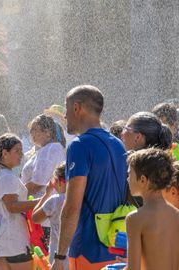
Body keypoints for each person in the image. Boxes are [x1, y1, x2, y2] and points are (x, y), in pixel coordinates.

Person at [52, 85, 128, 270]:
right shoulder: (118, 144)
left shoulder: (79, 145)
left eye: (66, 108)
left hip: (88, 249)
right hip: (117, 246)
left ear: (77, 108)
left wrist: (60, 256)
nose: (65, 115)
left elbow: (72, 207)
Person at [0, 134, 38, 269]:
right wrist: (42, 201)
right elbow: (12, 207)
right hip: (12, 237)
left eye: (21, 150)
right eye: (17, 151)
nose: (21, 154)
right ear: (5, 153)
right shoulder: (6, 176)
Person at [125, 148, 179, 270]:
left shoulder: (135, 219)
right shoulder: (176, 215)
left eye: (129, 174)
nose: (127, 179)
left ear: (143, 180)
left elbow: (133, 268)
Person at [32, 162, 68, 268]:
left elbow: (35, 218)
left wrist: (46, 194)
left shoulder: (55, 201)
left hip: (58, 258)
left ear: (60, 182)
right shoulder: (83, 200)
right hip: (78, 256)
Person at [22, 114, 66, 198]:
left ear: (47, 133)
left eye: (34, 129)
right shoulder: (55, 148)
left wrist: (15, 194)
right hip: (49, 203)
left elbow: (36, 186)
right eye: (30, 130)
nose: (31, 132)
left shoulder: (48, 151)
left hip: (40, 204)